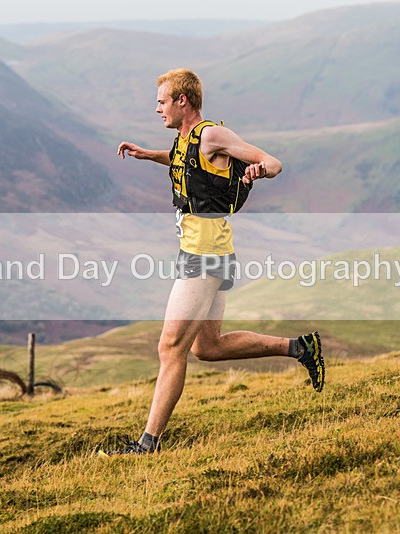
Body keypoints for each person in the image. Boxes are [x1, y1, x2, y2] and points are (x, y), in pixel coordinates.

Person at [105, 68, 323, 455]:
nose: (157, 109)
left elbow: (272, 162)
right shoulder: (184, 138)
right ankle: (300, 348)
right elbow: (183, 161)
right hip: (204, 251)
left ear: (182, 101)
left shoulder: (211, 134)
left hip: (205, 256)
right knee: (208, 347)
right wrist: (146, 154)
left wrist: (261, 170)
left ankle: (147, 443)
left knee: (171, 347)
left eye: (161, 101)